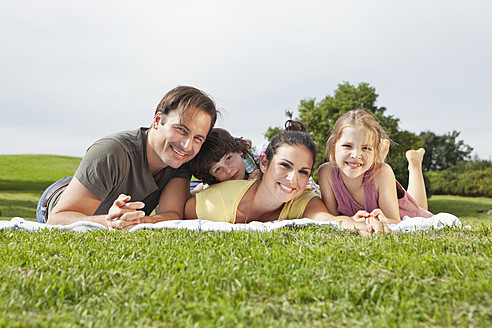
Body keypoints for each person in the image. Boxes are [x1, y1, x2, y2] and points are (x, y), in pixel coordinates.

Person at [45, 86, 218, 229]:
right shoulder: (111, 152)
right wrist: (111, 221)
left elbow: (173, 214)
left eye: (197, 138)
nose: (187, 145)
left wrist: (141, 221)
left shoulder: (180, 159)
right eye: (181, 130)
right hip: (60, 198)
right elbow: (57, 218)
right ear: (158, 121)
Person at [184, 120, 391, 235]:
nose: (293, 179)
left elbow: (329, 220)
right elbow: (183, 212)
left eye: (303, 172)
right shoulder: (218, 200)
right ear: (264, 164)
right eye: (285, 166)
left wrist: (363, 225)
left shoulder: (304, 200)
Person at [318, 109, 433, 225]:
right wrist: (352, 221)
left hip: (400, 210)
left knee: (419, 211)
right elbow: (333, 219)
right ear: (333, 147)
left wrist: (383, 220)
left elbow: (394, 220)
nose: (356, 155)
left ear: (374, 152)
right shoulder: (326, 173)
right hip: (374, 181)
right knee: (372, 170)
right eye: (347, 146)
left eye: (366, 148)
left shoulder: (383, 172)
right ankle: (375, 156)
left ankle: (415, 164)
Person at [187, 128, 319, 194]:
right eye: (218, 169)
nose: (229, 170)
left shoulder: (262, 154)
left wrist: (263, 176)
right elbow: (201, 190)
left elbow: (297, 172)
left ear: (239, 150)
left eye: (228, 158)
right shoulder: (217, 184)